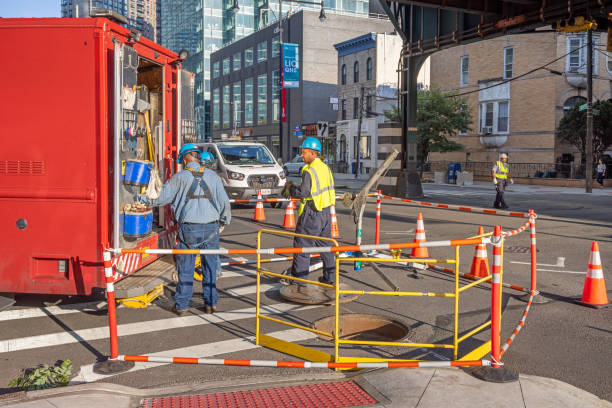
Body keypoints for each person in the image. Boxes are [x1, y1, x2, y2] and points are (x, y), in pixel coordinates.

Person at [139, 143, 231, 315]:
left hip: (189, 229)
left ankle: (182, 305)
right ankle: (211, 303)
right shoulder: (212, 176)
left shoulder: (179, 177)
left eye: (181, 159)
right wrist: (223, 221)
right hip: (211, 228)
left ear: (186, 158)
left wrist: (141, 198)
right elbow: (224, 203)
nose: (181, 162)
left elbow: (159, 199)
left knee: (186, 268)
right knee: (210, 268)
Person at [282, 137, 337, 285]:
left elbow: (303, 193)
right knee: (326, 247)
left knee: (302, 247)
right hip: (325, 212)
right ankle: (329, 279)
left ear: (313, 153)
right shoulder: (325, 168)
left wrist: (290, 187)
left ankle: (299, 283)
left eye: (304, 152)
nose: (302, 155)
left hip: (311, 214)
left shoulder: (309, 170)